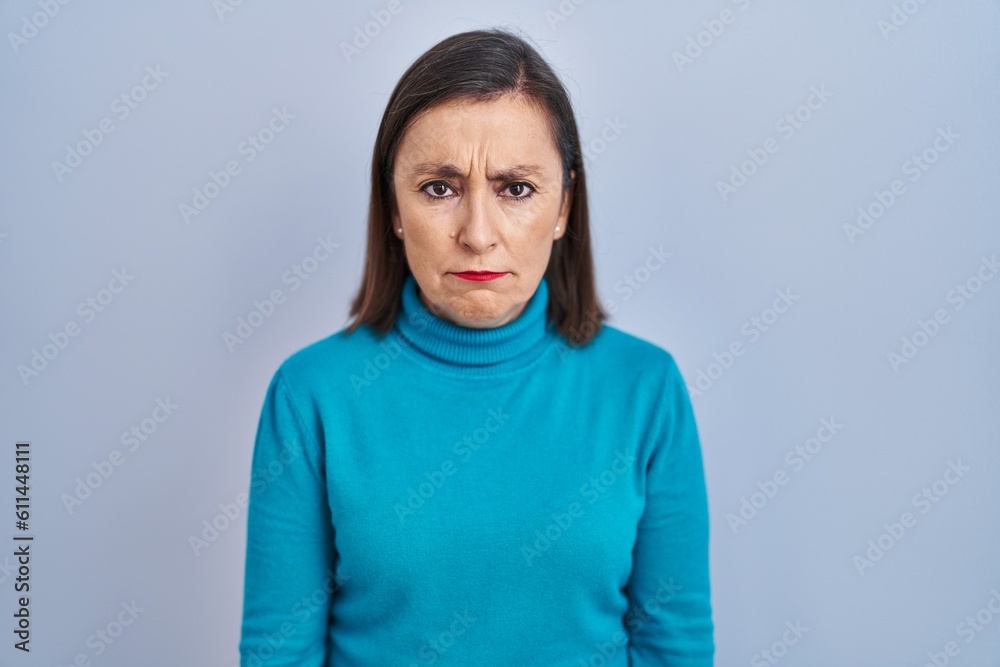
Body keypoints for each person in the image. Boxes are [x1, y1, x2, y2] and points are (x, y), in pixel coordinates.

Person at [238, 27, 714, 666]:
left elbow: (673, 646)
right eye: (441, 187)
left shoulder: (645, 389)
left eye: (516, 188)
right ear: (394, 206)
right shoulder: (311, 396)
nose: (478, 234)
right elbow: (279, 654)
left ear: (564, 205)